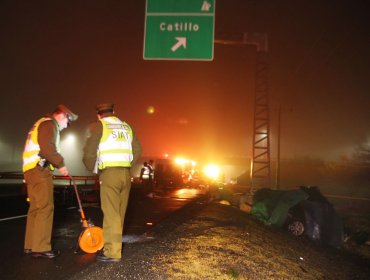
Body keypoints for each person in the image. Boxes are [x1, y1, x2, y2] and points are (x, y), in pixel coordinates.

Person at [82, 103, 142, 262]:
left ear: (98, 115)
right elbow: (138, 149)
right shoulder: (126, 127)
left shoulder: (99, 125)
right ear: (114, 112)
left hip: (110, 174)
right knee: (119, 214)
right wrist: (127, 165)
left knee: (111, 213)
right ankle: (115, 246)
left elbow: (89, 151)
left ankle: (112, 252)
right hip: (125, 173)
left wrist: (91, 167)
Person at [22, 104, 78, 259]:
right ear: (62, 116)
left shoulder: (40, 122)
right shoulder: (49, 124)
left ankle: (30, 245)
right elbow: (47, 147)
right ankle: (40, 247)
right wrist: (61, 164)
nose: (67, 126)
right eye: (68, 122)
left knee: (35, 209)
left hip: (30, 169)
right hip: (40, 170)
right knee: (46, 207)